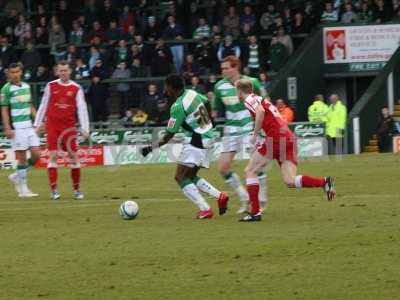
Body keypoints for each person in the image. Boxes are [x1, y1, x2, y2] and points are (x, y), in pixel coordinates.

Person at [235, 79, 335, 222]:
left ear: (240, 91)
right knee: (290, 181)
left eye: (236, 92)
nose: (236, 95)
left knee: (250, 170)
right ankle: (324, 182)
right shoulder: (261, 99)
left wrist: (255, 133)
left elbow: (261, 111)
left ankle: (255, 213)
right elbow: (267, 116)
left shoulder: (249, 98)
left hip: (276, 138)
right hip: (288, 137)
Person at [141, 74, 229, 219]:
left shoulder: (177, 106)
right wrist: (210, 121)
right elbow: (207, 101)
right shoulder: (192, 93)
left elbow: (168, 136)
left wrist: (149, 148)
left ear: (170, 88)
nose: (165, 89)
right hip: (208, 136)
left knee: (180, 177)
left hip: (197, 139)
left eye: (166, 87)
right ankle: (220, 196)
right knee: (190, 175)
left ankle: (205, 209)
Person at [213, 56, 267, 214]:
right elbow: (216, 111)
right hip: (230, 130)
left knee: (256, 164)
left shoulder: (252, 82)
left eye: (226, 68)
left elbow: (265, 102)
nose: (223, 71)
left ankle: (261, 199)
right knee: (223, 168)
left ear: (235, 67)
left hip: (249, 127)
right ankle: (244, 197)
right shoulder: (219, 86)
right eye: (222, 68)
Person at [34, 61, 90, 200]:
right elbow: (43, 104)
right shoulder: (51, 86)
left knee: (73, 157)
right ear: (57, 72)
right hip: (52, 125)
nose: (63, 73)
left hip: (69, 127)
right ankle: (54, 191)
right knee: (52, 156)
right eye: (61, 70)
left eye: (65, 70)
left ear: (70, 71)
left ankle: (76, 190)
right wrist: (38, 124)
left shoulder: (76, 88)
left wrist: (85, 128)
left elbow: (82, 108)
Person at [1, 63, 40, 197]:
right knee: (22, 158)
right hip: (16, 128)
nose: (15, 74)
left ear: (21, 72)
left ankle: (17, 175)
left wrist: (38, 121)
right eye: (12, 72)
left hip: (29, 126)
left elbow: (30, 105)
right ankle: (23, 190)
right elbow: (4, 109)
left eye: (17, 72)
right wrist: (7, 127)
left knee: (37, 155)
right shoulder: (6, 89)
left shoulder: (26, 86)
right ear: (9, 74)